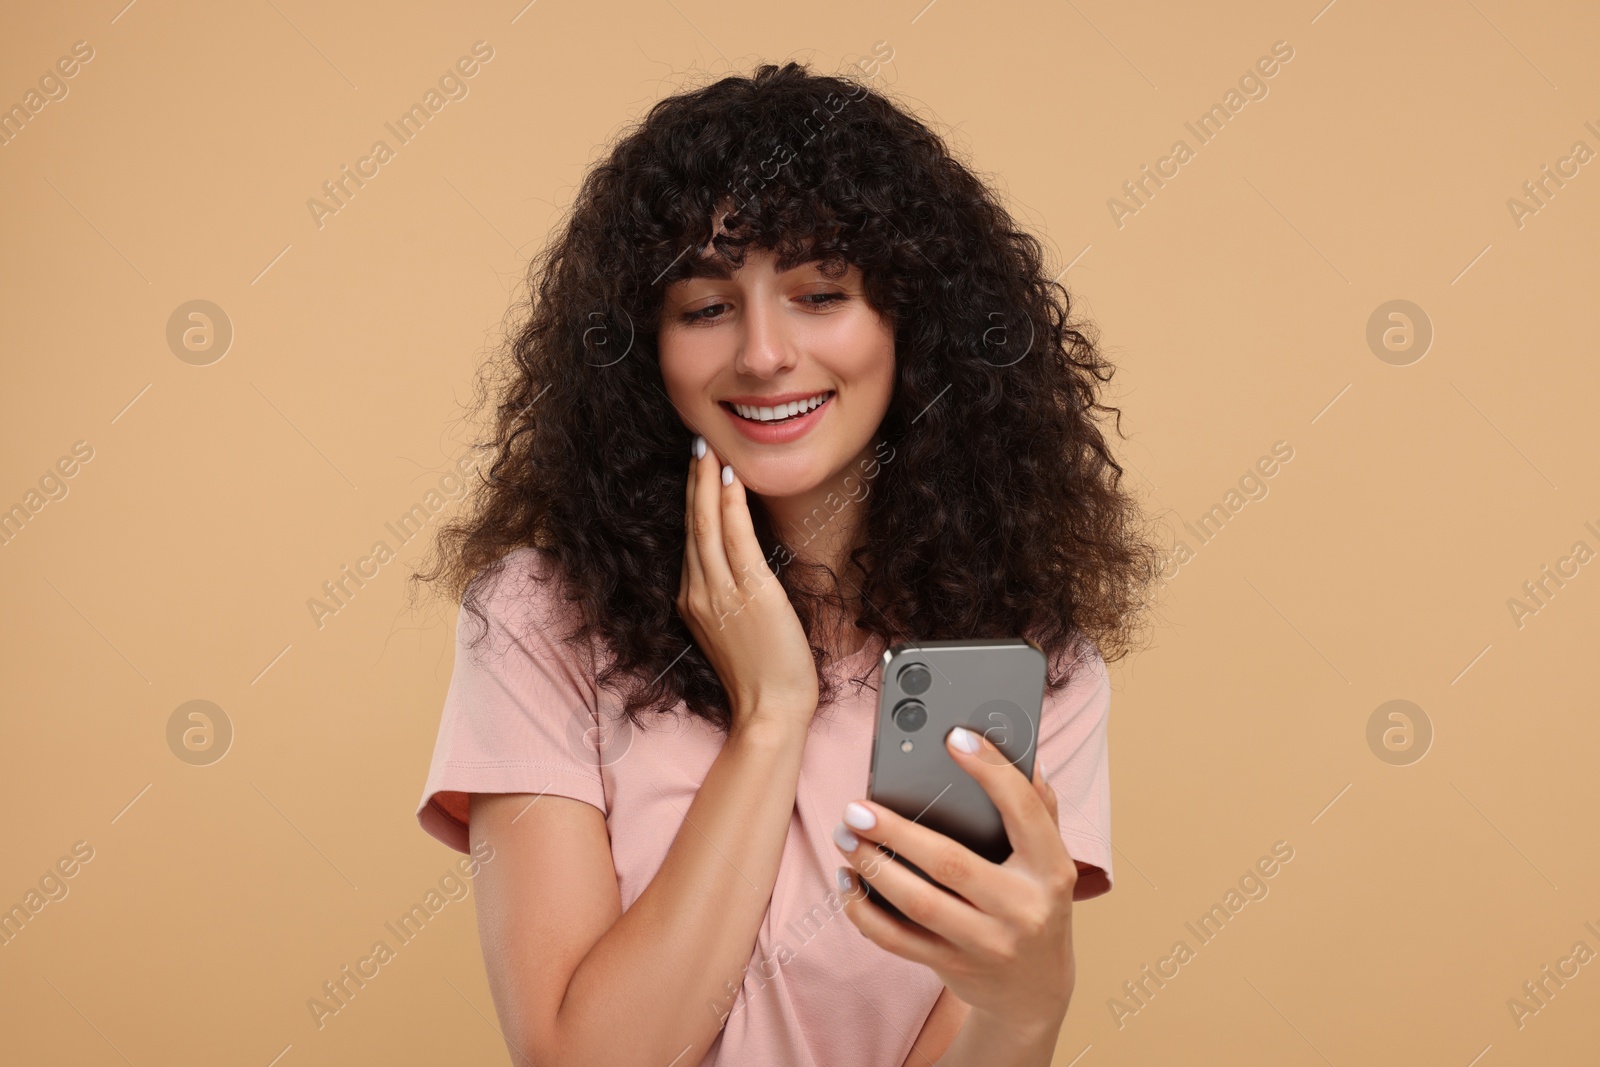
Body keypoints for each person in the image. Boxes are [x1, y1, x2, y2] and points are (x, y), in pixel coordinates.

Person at [411, 60, 1159, 1067]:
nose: (763, 353)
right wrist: (772, 712)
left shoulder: (1025, 665)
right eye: (705, 306)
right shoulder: (540, 618)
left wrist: (1027, 1001)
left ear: (911, 320)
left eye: (819, 293)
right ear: (643, 343)